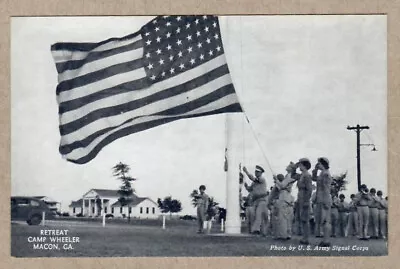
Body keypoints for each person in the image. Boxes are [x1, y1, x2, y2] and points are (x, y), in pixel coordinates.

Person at [312, 157, 332, 247]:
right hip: (320, 198)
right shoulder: (322, 173)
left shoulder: (325, 174)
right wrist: (315, 170)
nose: (318, 165)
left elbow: (326, 188)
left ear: (323, 164)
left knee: (325, 220)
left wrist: (326, 201)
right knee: (321, 220)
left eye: (319, 163)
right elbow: (314, 178)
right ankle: (325, 240)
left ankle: (326, 240)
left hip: (324, 198)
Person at [273, 162, 297, 240]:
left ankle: (282, 235)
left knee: (282, 216)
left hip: (284, 197)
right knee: (286, 217)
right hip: (286, 196)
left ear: (291, 169)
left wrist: (276, 180)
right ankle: (286, 234)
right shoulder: (289, 176)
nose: (287, 166)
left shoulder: (289, 176)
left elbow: (282, 186)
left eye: (289, 166)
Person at [243, 165, 269, 235]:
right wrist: (246, 186)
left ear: (261, 173)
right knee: (257, 216)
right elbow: (250, 189)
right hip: (256, 200)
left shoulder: (262, 179)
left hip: (262, 199)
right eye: (255, 172)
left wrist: (246, 172)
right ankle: (261, 231)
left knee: (259, 214)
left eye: (258, 172)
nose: (256, 173)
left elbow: (253, 179)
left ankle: (256, 230)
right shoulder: (254, 182)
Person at [293, 158, 313, 245]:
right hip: (300, 197)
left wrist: (306, 200)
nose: (299, 166)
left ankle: (306, 238)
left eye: (300, 164)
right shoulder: (302, 175)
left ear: (304, 165)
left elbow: (309, 189)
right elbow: (293, 175)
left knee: (305, 219)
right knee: (302, 219)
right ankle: (304, 237)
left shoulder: (307, 175)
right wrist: (294, 167)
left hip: (304, 197)